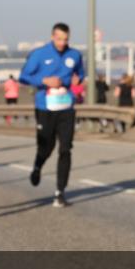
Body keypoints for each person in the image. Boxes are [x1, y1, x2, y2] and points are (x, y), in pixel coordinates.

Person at [19, 22, 85, 209]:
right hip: (45, 107)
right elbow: (23, 76)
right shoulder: (39, 54)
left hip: (66, 107)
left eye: (65, 39)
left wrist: (78, 79)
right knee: (46, 146)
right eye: (59, 39)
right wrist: (44, 80)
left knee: (65, 148)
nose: (62, 43)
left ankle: (60, 192)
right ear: (52, 37)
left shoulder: (75, 55)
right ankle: (37, 166)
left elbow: (80, 73)